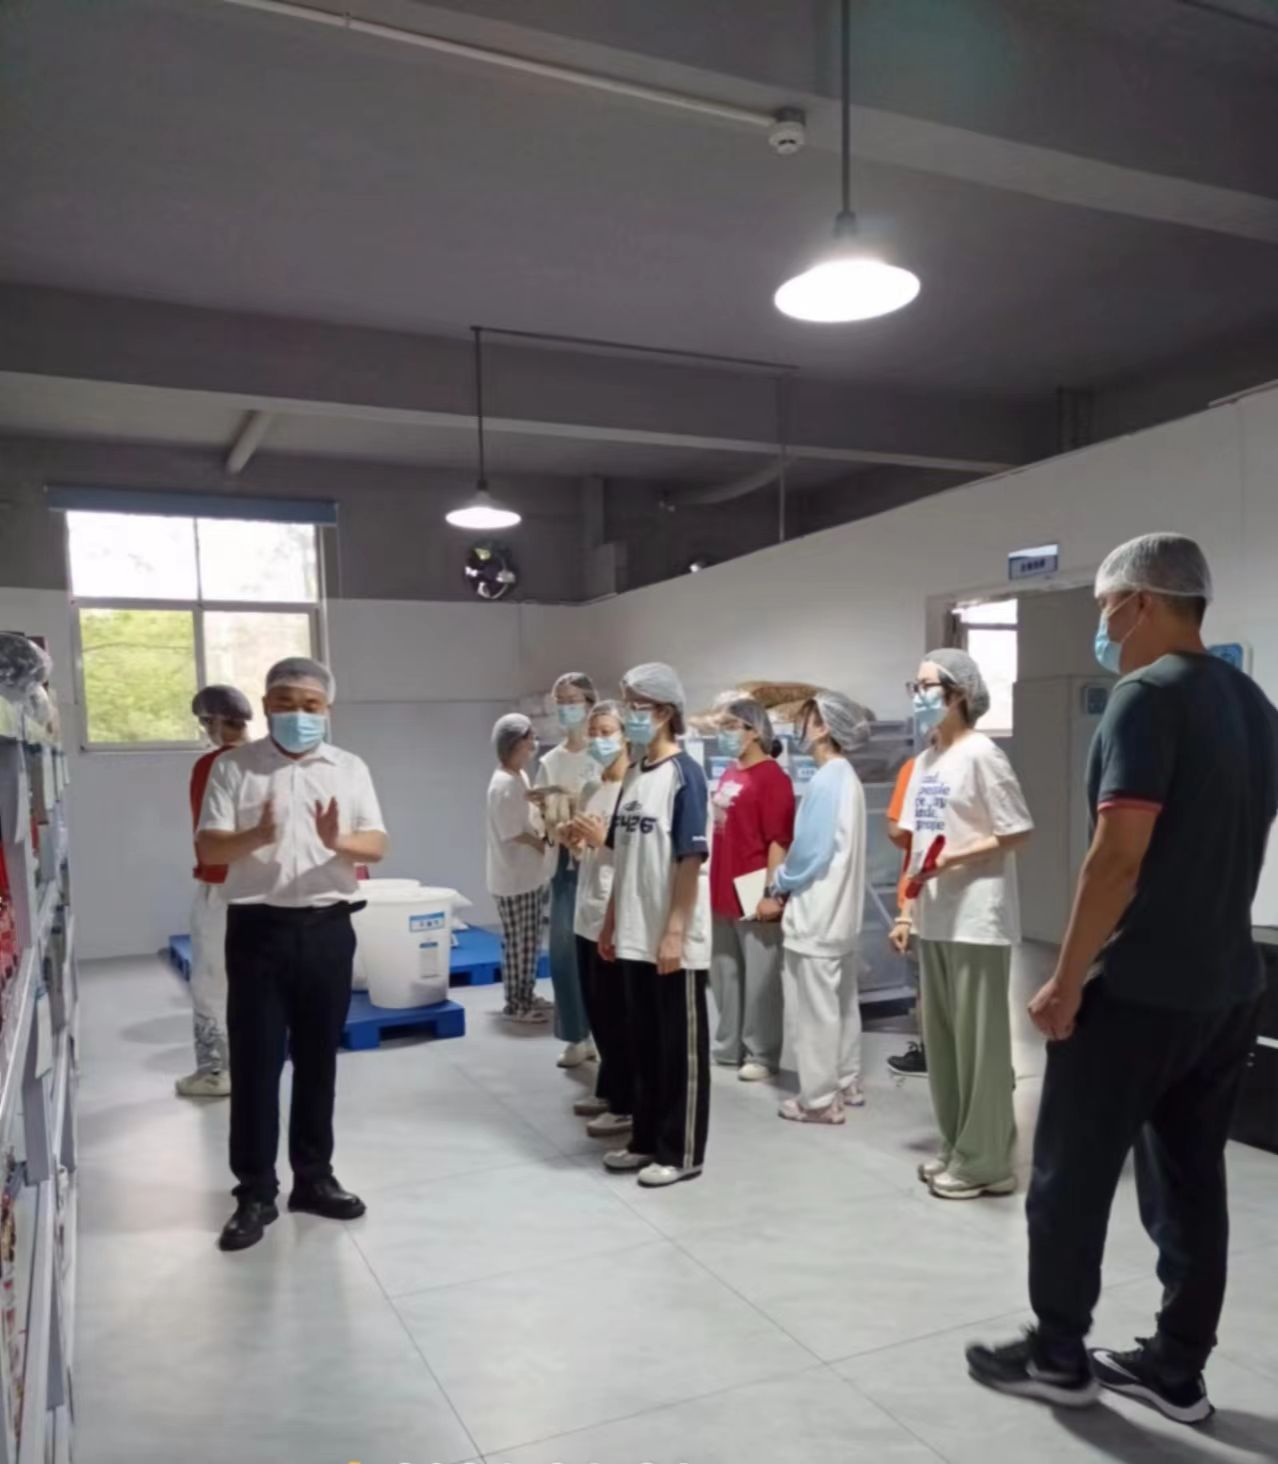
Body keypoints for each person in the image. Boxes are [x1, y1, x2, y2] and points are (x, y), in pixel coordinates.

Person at [967, 534, 1278, 1424]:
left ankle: (1060, 1354)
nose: (1103, 626)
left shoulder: (1145, 697)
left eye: (1105, 608)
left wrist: (1067, 978)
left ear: (1140, 602)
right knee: (1191, 1178)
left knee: (1071, 1173)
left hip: (1140, 986)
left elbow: (1117, 858)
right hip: (1228, 982)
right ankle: (1178, 1368)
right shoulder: (1254, 703)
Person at [196, 657, 388, 1252]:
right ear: (266, 705)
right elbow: (208, 846)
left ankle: (313, 1178)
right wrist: (258, 835)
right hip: (258, 931)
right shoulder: (234, 767)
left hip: (328, 928)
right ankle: (255, 1191)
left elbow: (376, 843)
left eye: (311, 705)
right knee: (255, 1063)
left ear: (327, 710)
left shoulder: (349, 768)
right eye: (285, 703)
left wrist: (337, 840)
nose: (298, 714)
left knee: (317, 1060)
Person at [892, 648, 1033, 1200]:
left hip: (977, 916)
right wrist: (907, 909)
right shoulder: (927, 761)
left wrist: (955, 858)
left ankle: (988, 1161)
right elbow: (915, 843)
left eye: (928, 686)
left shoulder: (982, 755)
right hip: (935, 915)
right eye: (916, 685)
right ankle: (956, 1146)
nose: (919, 695)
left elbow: (1017, 830)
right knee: (945, 1042)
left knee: (981, 1046)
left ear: (959, 695)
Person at [598, 662, 711, 1187]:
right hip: (633, 935)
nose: (628, 716)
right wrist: (611, 921)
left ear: (664, 712)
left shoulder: (685, 775)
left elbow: (689, 860)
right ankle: (643, 1139)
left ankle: (681, 1151)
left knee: (678, 1052)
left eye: (636, 706)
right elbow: (622, 857)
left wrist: (675, 931)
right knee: (642, 1044)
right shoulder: (635, 774)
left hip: (672, 941)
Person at [757, 692, 870, 1124]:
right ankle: (846, 1079)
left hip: (817, 915)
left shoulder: (825, 781)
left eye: (804, 721)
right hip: (841, 917)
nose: (798, 729)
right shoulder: (847, 777)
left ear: (823, 728)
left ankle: (819, 1100)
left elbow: (810, 852)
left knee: (814, 1011)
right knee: (841, 1003)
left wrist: (779, 883)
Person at [708, 698, 794, 1080]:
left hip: (753, 882)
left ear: (755, 731)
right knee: (725, 972)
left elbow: (779, 840)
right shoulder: (731, 772)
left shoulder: (773, 778)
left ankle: (762, 1052)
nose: (723, 734)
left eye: (730, 726)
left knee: (761, 976)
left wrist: (772, 893)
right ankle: (729, 1045)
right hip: (722, 882)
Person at [176, 684, 252, 1099]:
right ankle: (255, 1061)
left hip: (221, 887)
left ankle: (216, 1072)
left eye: (206, 721)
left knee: (212, 982)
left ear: (212, 721)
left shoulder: (212, 765)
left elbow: (208, 834)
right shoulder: (269, 761)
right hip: (263, 889)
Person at [563, 701, 633, 1139]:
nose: (599, 740)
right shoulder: (593, 788)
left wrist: (601, 837)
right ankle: (609, 1087)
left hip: (614, 909)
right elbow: (589, 850)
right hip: (586, 908)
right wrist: (575, 840)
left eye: (607, 731)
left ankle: (626, 1101)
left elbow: (637, 853)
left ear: (626, 736)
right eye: (593, 732)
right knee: (597, 1009)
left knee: (617, 1012)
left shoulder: (635, 788)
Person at [533, 673, 599, 1068]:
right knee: (563, 953)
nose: (566, 708)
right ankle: (577, 1035)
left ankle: (606, 1034)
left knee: (600, 954)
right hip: (564, 864)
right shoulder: (551, 761)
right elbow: (536, 815)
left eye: (573, 700)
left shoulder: (605, 753)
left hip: (599, 861)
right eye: (560, 701)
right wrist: (552, 817)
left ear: (590, 703)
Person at [486, 713, 551, 1026]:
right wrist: (543, 844)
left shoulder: (519, 776)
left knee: (531, 941)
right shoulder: (504, 785)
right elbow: (512, 832)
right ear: (514, 743)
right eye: (529, 738)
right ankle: (515, 1003)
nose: (533, 743)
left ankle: (527, 993)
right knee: (518, 944)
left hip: (528, 876)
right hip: (512, 878)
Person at [885, 754, 927, 1079]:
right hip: (967, 898)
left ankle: (930, 1053)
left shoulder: (916, 767)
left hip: (921, 890)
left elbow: (897, 830)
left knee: (926, 984)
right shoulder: (984, 759)